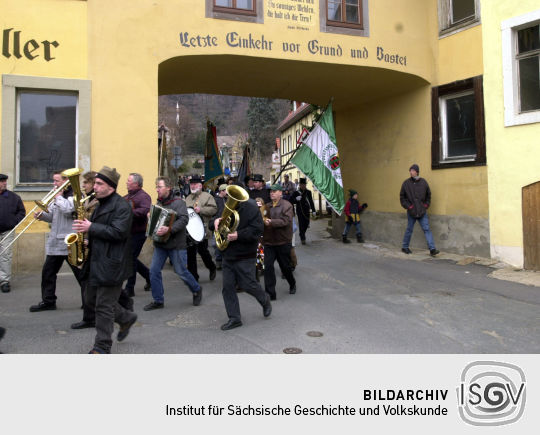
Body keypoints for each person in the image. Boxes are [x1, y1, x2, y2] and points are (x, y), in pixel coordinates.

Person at [72, 166, 138, 354]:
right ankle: (125, 317)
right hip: (97, 260)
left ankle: (102, 346)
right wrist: (86, 240)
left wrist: (90, 227)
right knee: (90, 300)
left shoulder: (122, 206)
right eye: (95, 184)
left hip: (113, 263)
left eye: (99, 184)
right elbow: (100, 230)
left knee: (103, 306)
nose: (95, 187)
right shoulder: (100, 203)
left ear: (111, 186)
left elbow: (118, 232)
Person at [211, 187, 272, 330]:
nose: (230, 199)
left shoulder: (251, 207)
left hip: (245, 254)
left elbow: (257, 230)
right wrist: (214, 222)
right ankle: (234, 318)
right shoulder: (227, 205)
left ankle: (264, 300)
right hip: (228, 253)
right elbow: (216, 221)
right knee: (227, 287)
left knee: (248, 284)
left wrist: (239, 235)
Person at [144, 176, 202, 311]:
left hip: (176, 244)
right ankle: (158, 300)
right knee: (153, 271)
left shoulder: (178, 203)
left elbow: (184, 220)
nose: (157, 189)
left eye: (159, 187)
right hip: (161, 244)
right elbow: (157, 221)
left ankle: (196, 289)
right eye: (156, 187)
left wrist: (169, 229)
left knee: (181, 271)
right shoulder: (159, 203)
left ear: (168, 187)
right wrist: (150, 217)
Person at [29, 171, 82, 312]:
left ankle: (89, 301)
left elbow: (67, 210)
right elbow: (53, 215)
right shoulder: (58, 197)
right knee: (48, 273)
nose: (54, 184)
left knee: (81, 275)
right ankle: (48, 301)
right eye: (53, 181)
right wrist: (42, 216)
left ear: (66, 182)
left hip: (70, 242)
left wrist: (58, 197)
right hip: (56, 243)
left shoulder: (74, 196)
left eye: (57, 181)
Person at [263, 184, 296, 300]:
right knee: (268, 267)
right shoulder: (266, 206)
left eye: (274, 191)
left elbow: (286, 221)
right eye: (270, 191)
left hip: (282, 242)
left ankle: (292, 283)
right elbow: (262, 218)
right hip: (269, 242)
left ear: (280, 193)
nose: (271, 193)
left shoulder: (287, 205)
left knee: (285, 267)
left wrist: (271, 222)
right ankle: (270, 293)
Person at [400, 164, 439, 256]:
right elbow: (402, 197)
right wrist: (409, 207)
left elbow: (429, 195)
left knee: (427, 229)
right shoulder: (406, 183)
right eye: (410, 170)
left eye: (412, 170)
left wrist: (425, 205)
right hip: (411, 212)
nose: (411, 172)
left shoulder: (423, 182)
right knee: (409, 229)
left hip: (422, 212)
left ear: (417, 172)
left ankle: (432, 249)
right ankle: (405, 247)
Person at [123, 173, 151, 297]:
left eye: (129, 181)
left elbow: (144, 210)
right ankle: (149, 276)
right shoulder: (127, 196)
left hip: (138, 232)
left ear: (136, 183)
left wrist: (128, 212)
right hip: (128, 232)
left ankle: (130, 287)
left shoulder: (144, 196)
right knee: (131, 258)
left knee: (130, 259)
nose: (126, 182)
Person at [185, 175, 217, 282]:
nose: (192, 186)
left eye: (195, 184)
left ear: (200, 185)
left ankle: (212, 267)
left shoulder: (207, 196)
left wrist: (201, 210)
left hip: (203, 229)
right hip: (190, 231)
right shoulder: (188, 198)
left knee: (203, 251)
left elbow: (213, 209)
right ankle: (193, 277)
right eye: (191, 184)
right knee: (190, 253)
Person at [0, 173, 26, 293]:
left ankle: (4, 281)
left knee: (5, 255)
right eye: (2, 181)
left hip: (7, 230)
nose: (4, 183)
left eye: (5, 181)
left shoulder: (13, 197)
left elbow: (21, 211)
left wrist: (13, 222)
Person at [292, 178, 316, 245]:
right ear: (299, 185)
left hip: (307, 210)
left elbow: (311, 201)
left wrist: (313, 210)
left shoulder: (308, 192)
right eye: (302, 184)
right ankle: (302, 237)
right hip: (300, 211)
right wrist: (296, 199)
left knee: (306, 224)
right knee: (301, 224)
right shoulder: (296, 192)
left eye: (304, 184)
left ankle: (302, 233)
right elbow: (291, 200)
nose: (303, 186)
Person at [212, 184, 228, 270]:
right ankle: (218, 260)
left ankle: (223, 260)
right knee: (216, 243)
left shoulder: (227, 199)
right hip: (217, 223)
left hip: (226, 224)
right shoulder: (215, 200)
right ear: (222, 191)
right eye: (226, 190)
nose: (228, 192)